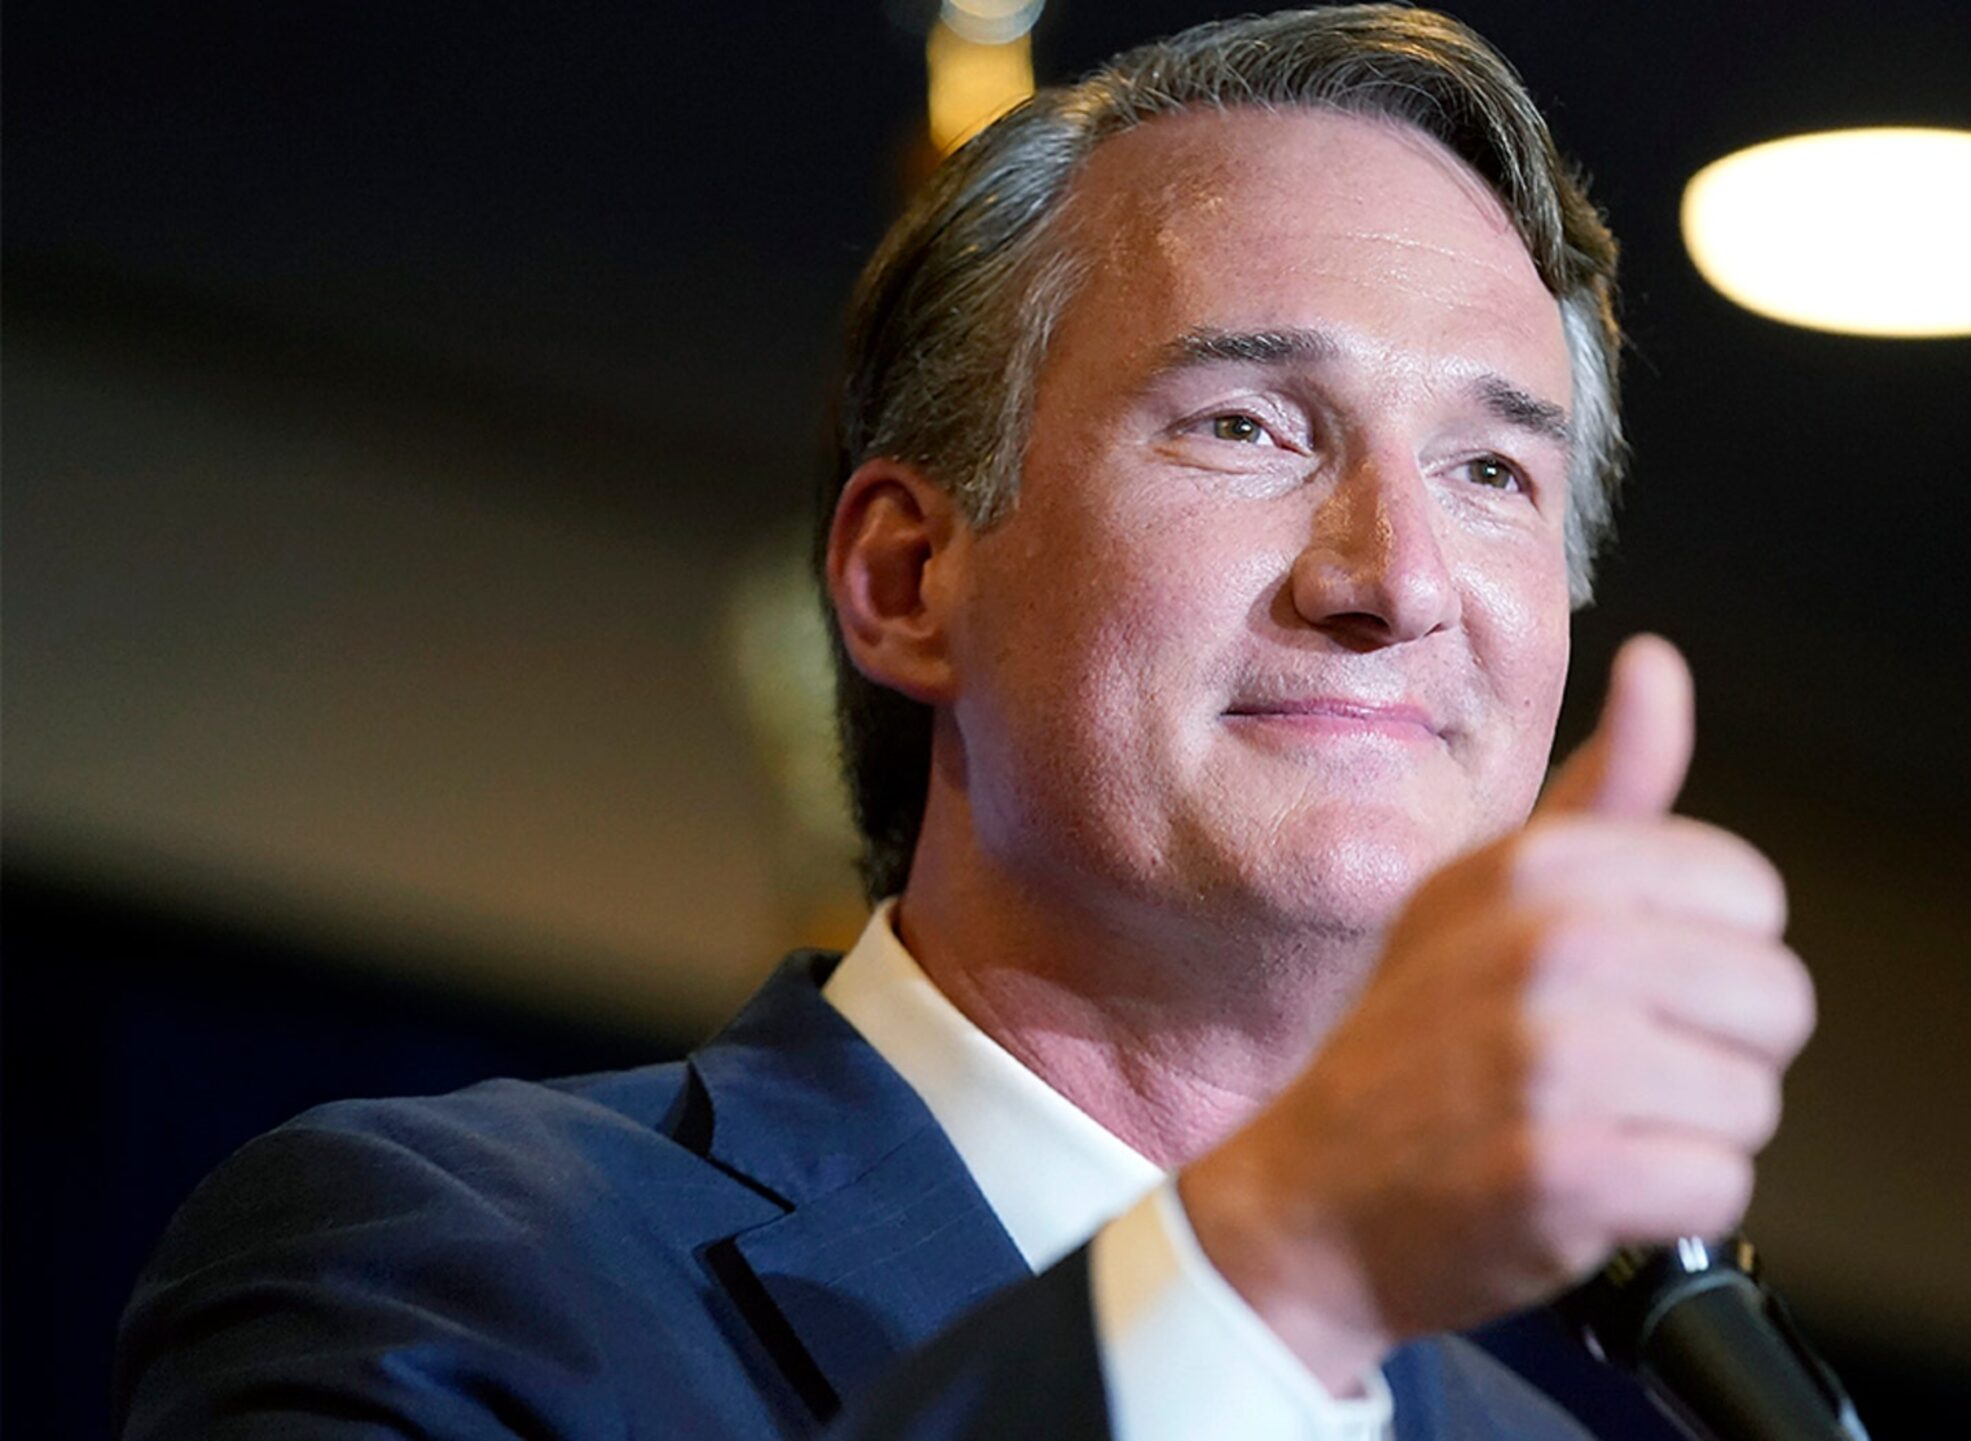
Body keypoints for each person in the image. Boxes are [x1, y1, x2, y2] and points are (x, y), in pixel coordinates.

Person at [114, 8, 1814, 1438]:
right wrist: (1273, 1267)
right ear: (910, 578)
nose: (1398, 577)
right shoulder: (440, 1262)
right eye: (1245, 424)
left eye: (1492, 469)